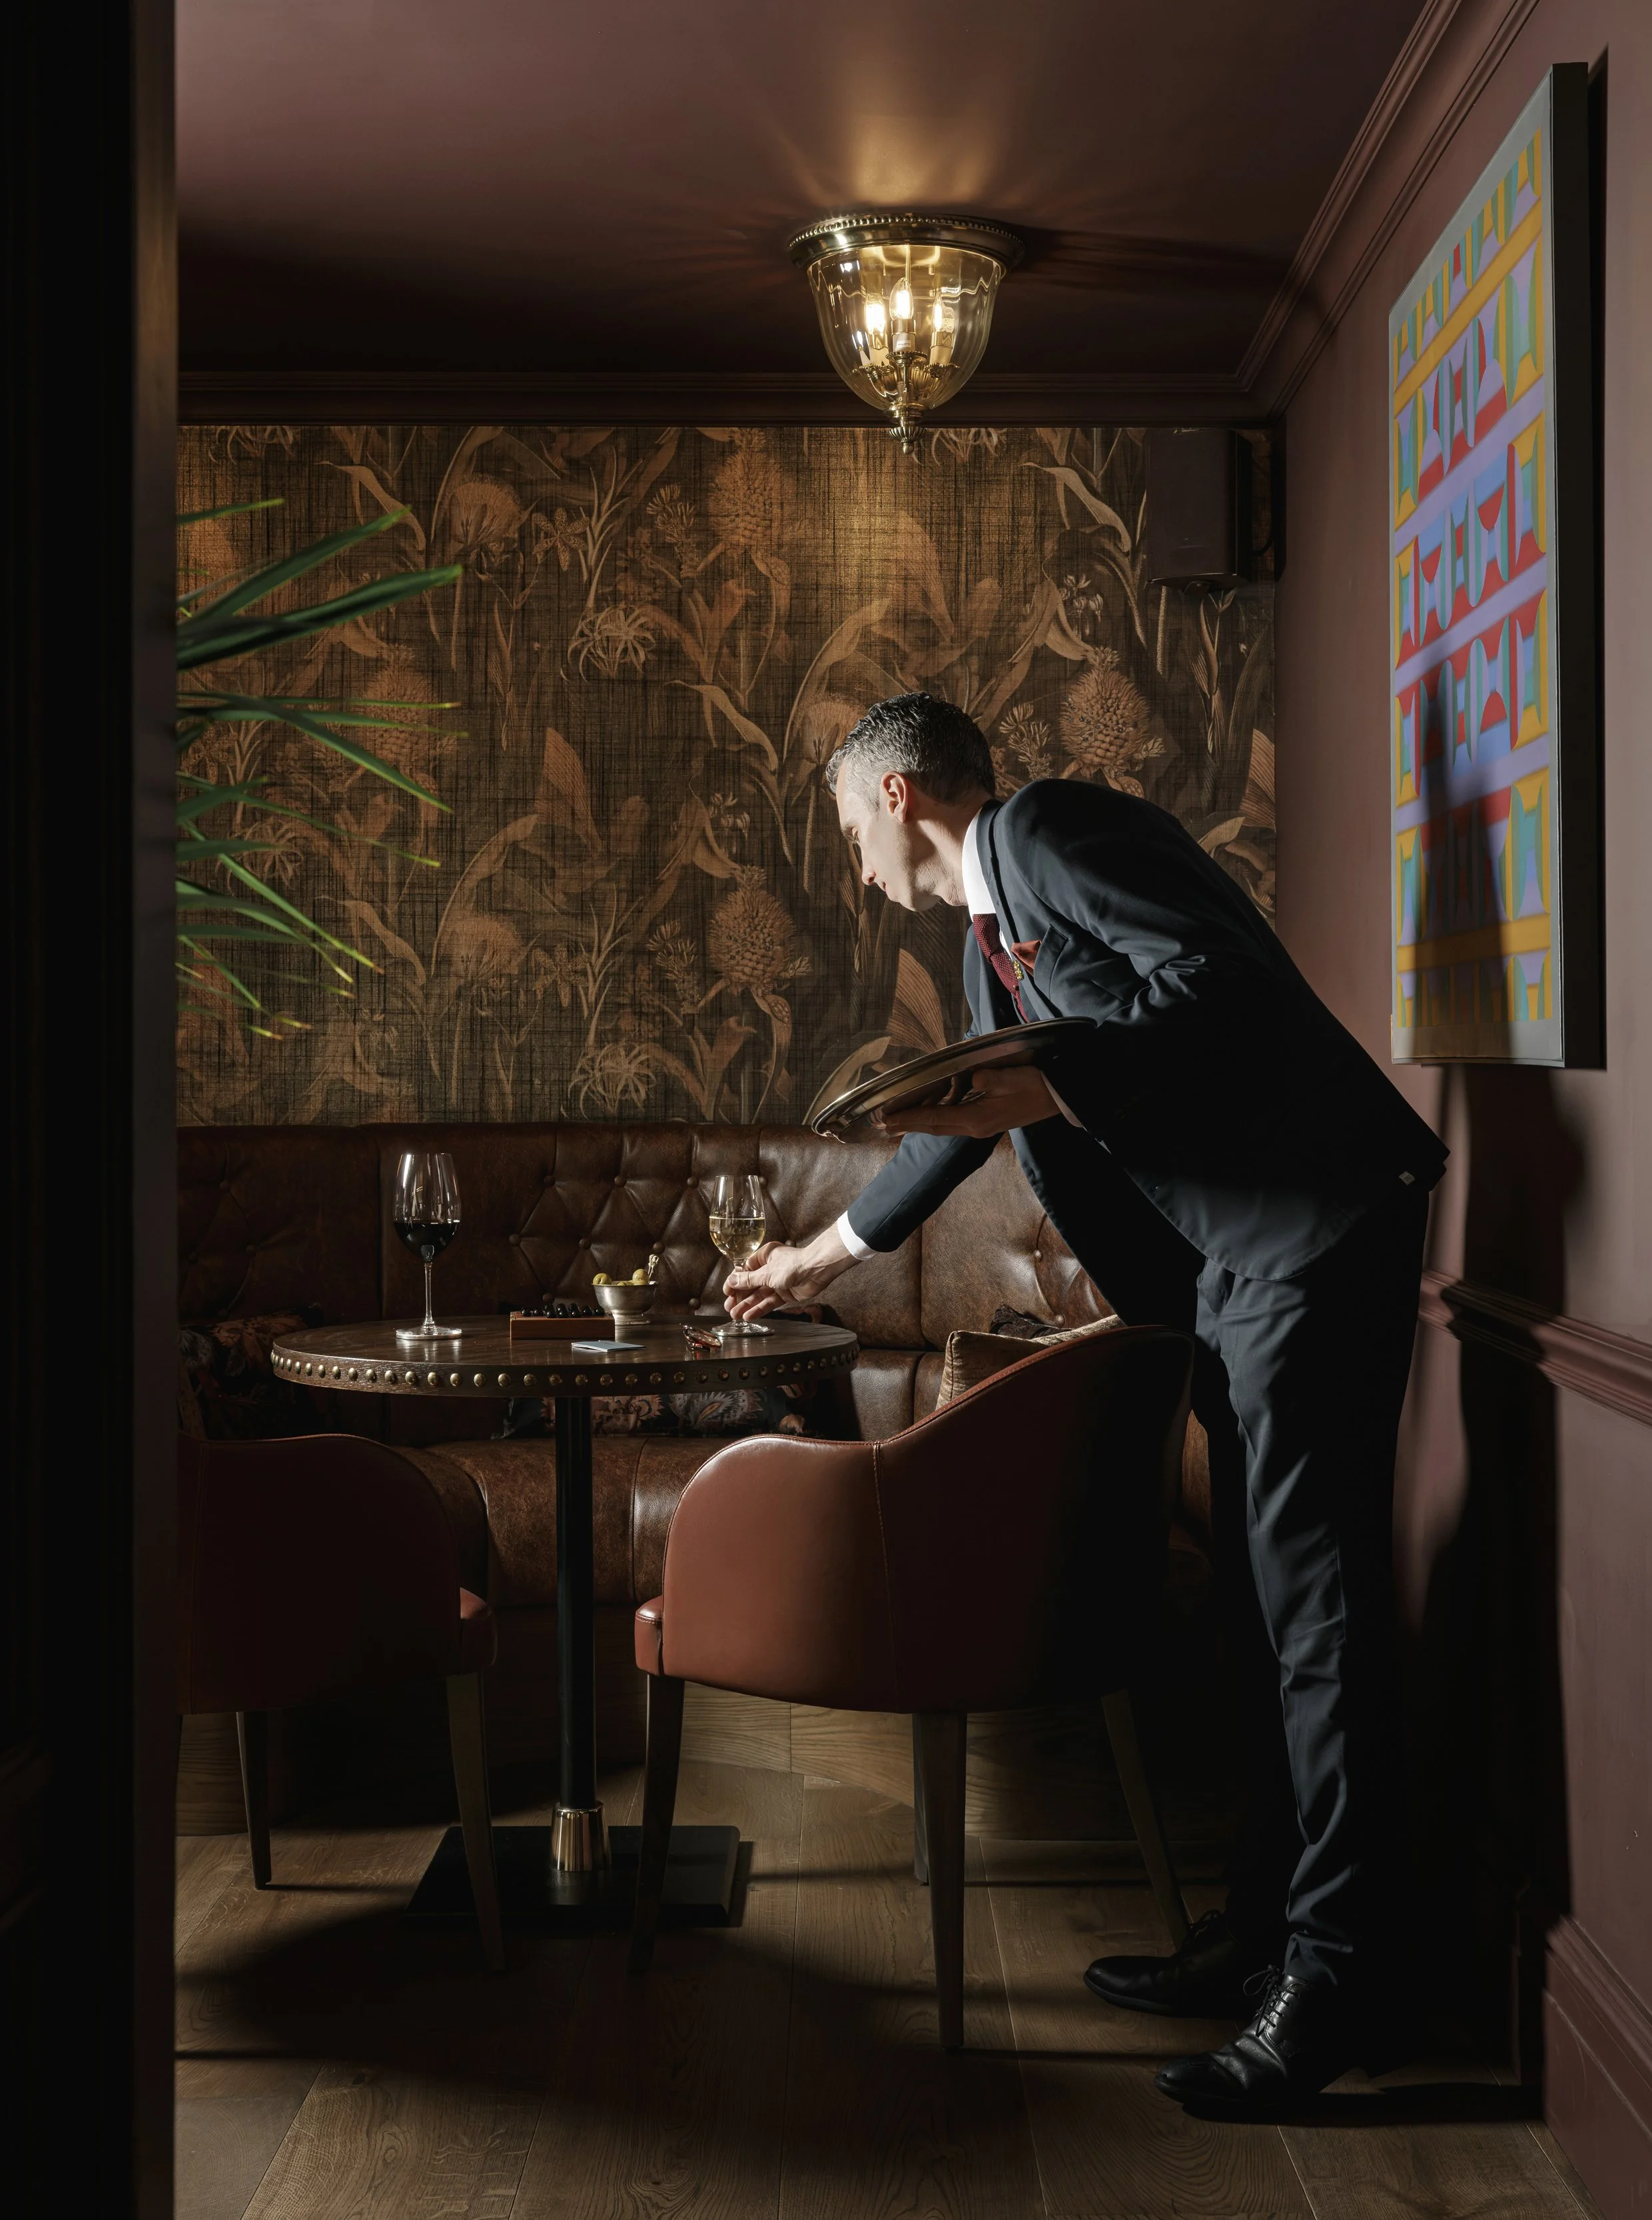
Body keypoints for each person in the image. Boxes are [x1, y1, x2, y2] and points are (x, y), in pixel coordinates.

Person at [723, 691, 1446, 2113]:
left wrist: (1045, 1076)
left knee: (1319, 1616)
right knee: (1261, 1604)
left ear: (895, 798)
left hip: (1313, 1231)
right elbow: (968, 1127)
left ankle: (1341, 1973)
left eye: (843, 830)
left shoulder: (1047, 835)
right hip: (1239, 1261)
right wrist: (817, 1253)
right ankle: (1260, 1930)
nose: (853, 870)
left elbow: (1218, 987)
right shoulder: (994, 943)